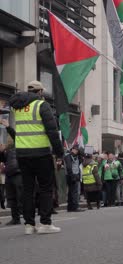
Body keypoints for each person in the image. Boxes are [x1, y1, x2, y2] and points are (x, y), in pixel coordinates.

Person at [9, 80, 64, 234]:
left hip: (22, 153)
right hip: (41, 153)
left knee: (28, 189)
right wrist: (59, 153)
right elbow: (52, 131)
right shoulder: (41, 105)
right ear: (40, 92)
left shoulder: (17, 107)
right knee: (46, 188)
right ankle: (45, 223)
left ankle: (29, 224)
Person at [0, 120, 22, 225]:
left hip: (18, 173)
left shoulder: (20, 144)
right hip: (9, 174)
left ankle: (28, 218)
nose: (8, 140)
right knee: (11, 198)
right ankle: (15, 218)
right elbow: (3, 161)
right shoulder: (6, 150)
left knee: (20, 196)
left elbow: (14, 135)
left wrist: (8, 127)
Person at [64, 144, 84, 212]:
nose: (76, 151)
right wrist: (72, 176)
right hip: (71, 176)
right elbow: (69, 167)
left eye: (77, 150)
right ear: (71, 149)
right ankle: (75, 207)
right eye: (75, 149)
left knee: (71, 192)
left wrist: (79, 151)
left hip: (76, 175)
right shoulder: (68, 156)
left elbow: (82, 155)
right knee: (75, 192)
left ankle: (70, 207)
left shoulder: (78, 157)